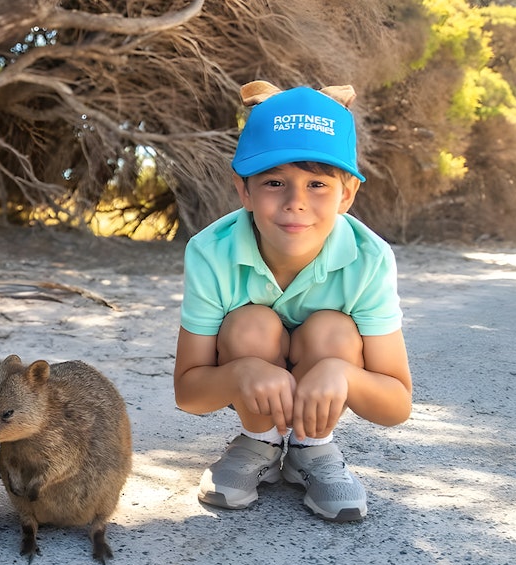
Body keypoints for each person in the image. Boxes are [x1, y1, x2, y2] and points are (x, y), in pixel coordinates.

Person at [174, 80, 412, 522]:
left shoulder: (370, 258)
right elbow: (189, 391)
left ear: (347, 194)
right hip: (250, 378)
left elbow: (397, 402)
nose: (295, 203)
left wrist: (343, 375)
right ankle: (258, 439)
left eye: (317, 183)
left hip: (320, 376)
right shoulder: (211, 251)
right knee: (250, 324)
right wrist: (242, 372)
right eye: (275, 182)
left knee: (333, 331)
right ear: (244, 190)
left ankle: (311, 449)